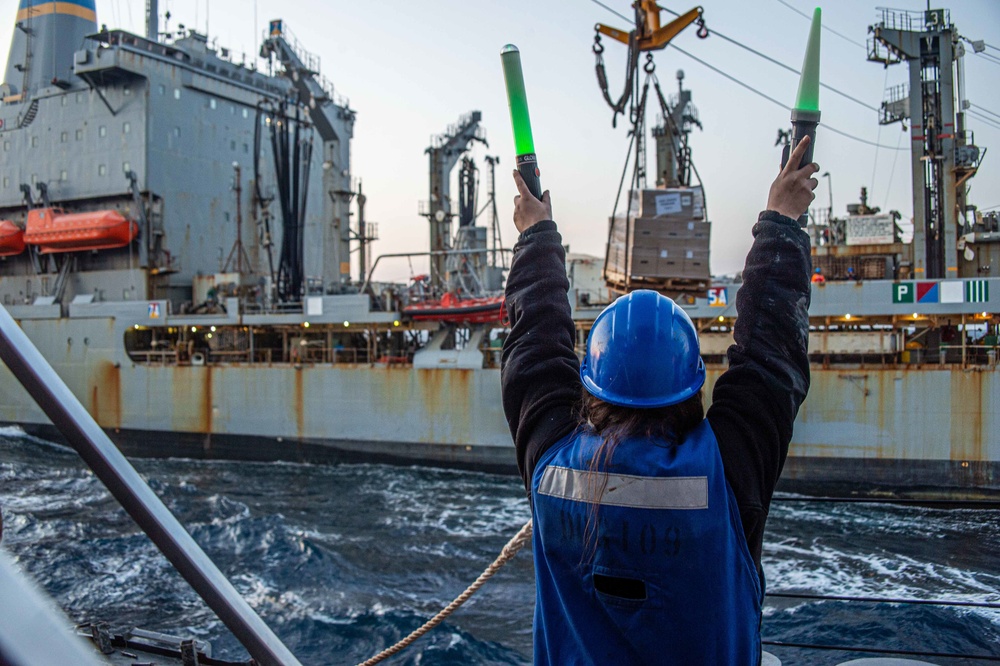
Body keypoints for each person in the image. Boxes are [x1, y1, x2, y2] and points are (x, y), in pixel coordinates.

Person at [501, 137, 818, 664]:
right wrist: (783, 219)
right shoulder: (725, 471)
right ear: (693, 383)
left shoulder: (550, 461)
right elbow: (769, 354)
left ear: (592, 383)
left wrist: (536, 234)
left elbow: (532, 349)